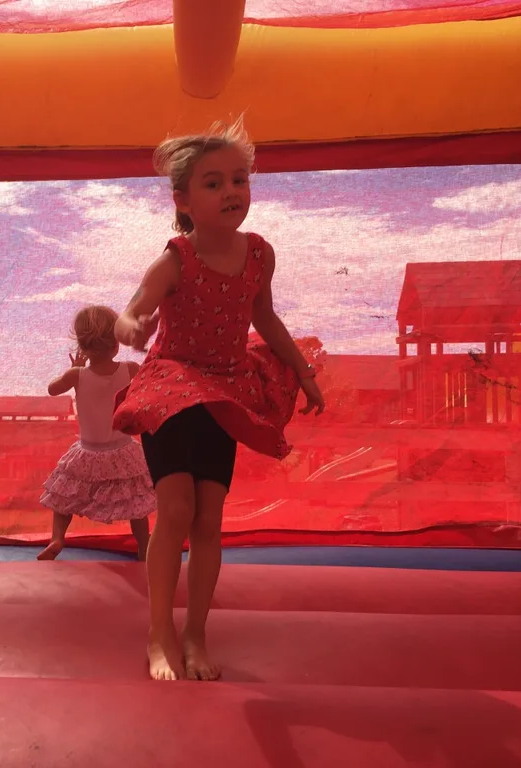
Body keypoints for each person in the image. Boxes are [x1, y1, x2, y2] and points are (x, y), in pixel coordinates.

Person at [112, 117, 325, 682]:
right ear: (182, 199)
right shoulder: (176, 259)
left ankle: (195, 632)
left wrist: (302, 371)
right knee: (175, 508)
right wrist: (132, 327)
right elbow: (129, 311)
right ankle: (159, 633)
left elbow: (264, 316)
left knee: (209, 520)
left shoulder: (259, 255)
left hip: (224, 389)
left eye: (240, 180)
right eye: (214, 183)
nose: (232, 191)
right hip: (174, 385)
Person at [38, 305, 155, 561]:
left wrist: (75, 368)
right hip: (122, 448)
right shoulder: (130, 369)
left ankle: (57, 539)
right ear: (116, 345)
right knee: (136, 503)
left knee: (63, 498)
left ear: (82, 346)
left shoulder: (76, 375)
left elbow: (52, 390)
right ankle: (144, 546)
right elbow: (146, 390)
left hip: (88, 449)